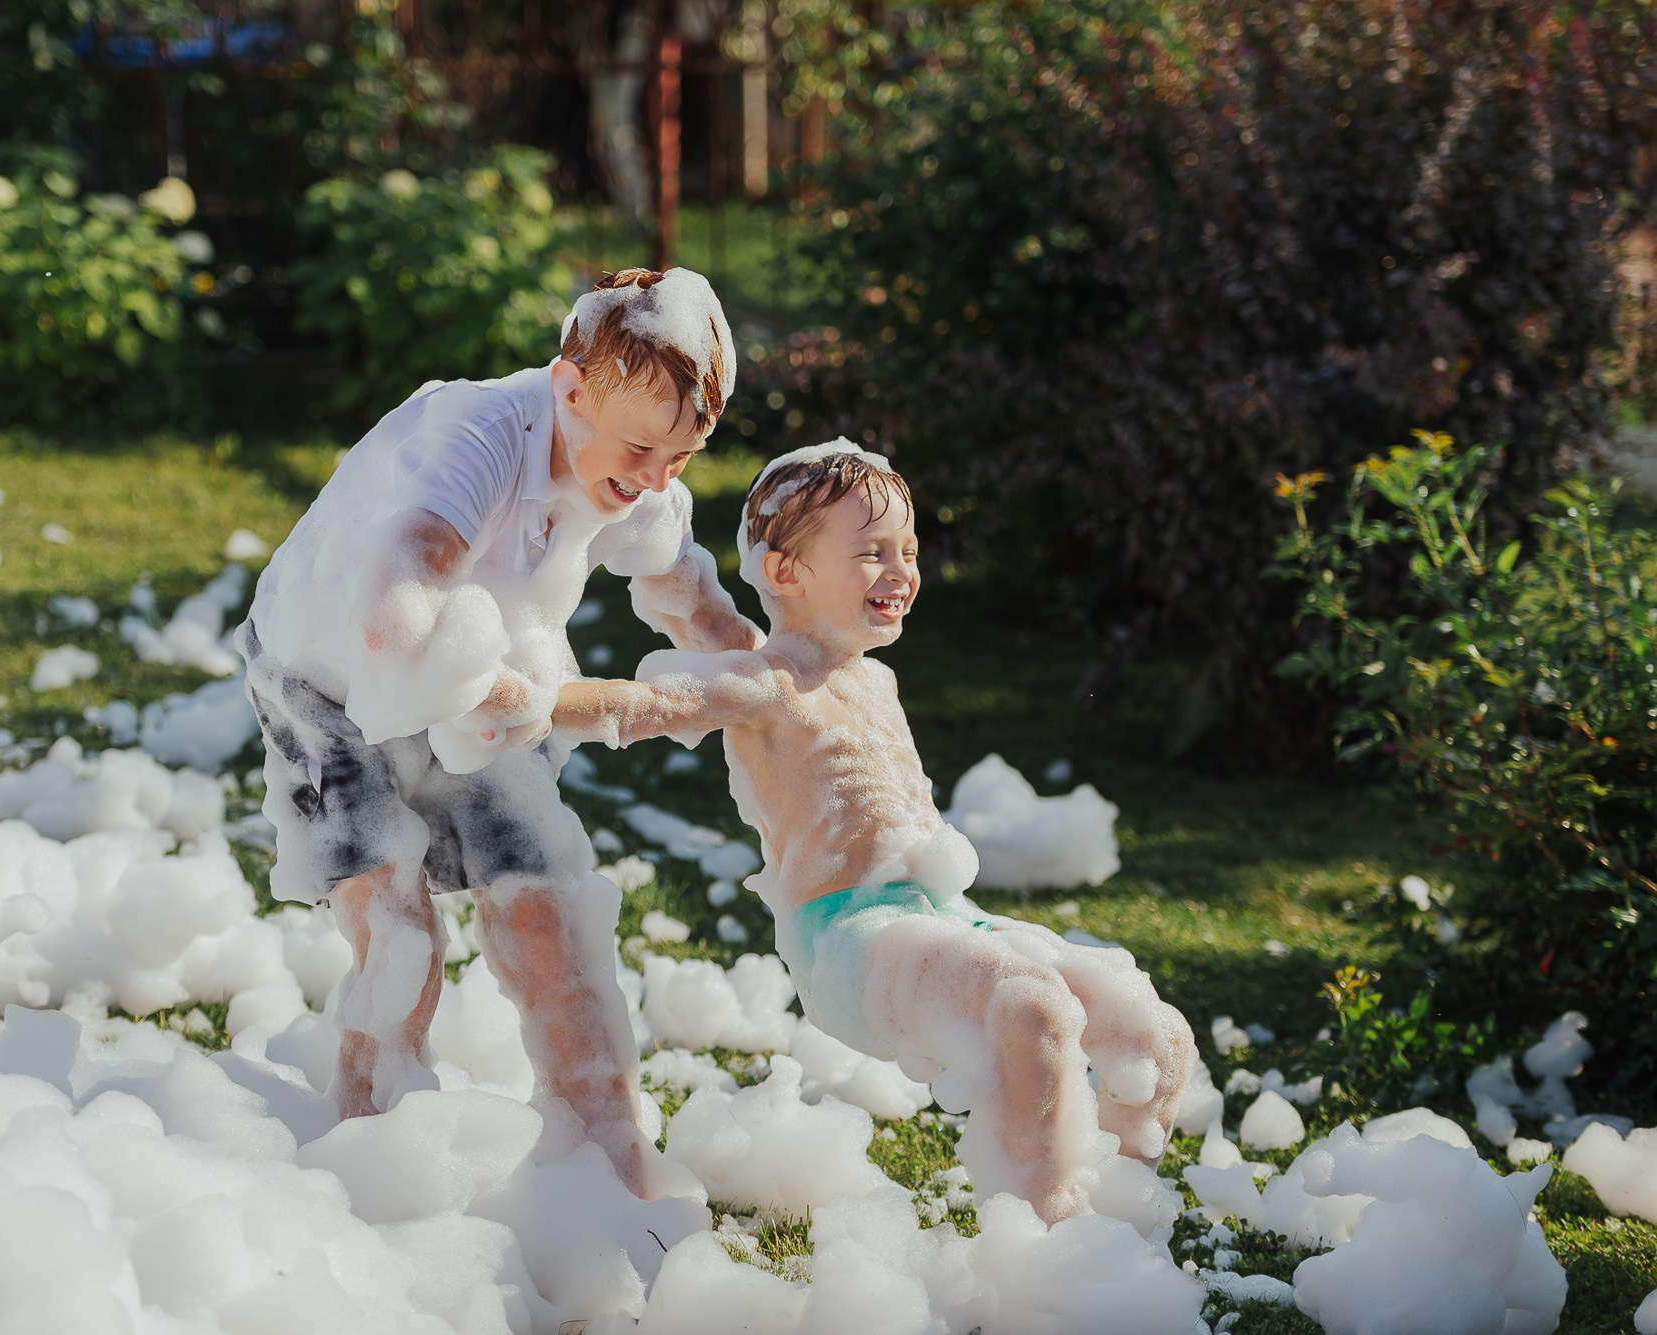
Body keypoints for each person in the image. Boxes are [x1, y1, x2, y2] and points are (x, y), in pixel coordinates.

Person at [552, 441, 1196, 1222]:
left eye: (909, 550)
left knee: (1154, 1031)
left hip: (941, 917)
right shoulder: (769, 683)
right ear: (786, 573)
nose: (901, 570)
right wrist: (515, 698)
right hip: (847, 939)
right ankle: (1044, 1249)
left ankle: (1122, 1219)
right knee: (1035, 1009)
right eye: (871, 552)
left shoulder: (873, 676)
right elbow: (645, 703)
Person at [241, 267, 760, 1198]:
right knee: (401, 935)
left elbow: (687, 593)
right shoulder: (475, 442)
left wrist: (762, 675)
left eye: (679, 459)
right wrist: (491, 684)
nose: (652, 479)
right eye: (640, 450)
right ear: (569, 392)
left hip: (480, 675)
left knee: (546, 896)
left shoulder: (637, 473)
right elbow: (394, 611)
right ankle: (366, 1159)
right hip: (317, 681)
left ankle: (606, 1150)